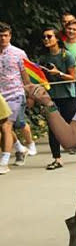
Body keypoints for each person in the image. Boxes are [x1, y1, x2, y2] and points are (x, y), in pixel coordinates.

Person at [34, 26, 76, 170]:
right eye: (44, 37)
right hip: (51, 98)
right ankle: (57, 159)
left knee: (70, 127)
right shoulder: (43, 58)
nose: (46, 39)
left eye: (49, 36)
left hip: (67, 96)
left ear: (57, 39)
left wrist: (58, 73)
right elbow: (39, 78)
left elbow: (73, 77)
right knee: (53, 128)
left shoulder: (67, 55)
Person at [0, 22, 35, 169]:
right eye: (0, 36)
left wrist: (31, 95)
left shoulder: (18, 53)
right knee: (2, 128)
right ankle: (20, 148)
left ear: (10, 36)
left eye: (5, 36)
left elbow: (26, 75)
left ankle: (4, 161)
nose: (3, 39)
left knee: (7, 126)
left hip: (15, 93)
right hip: (0, 96)